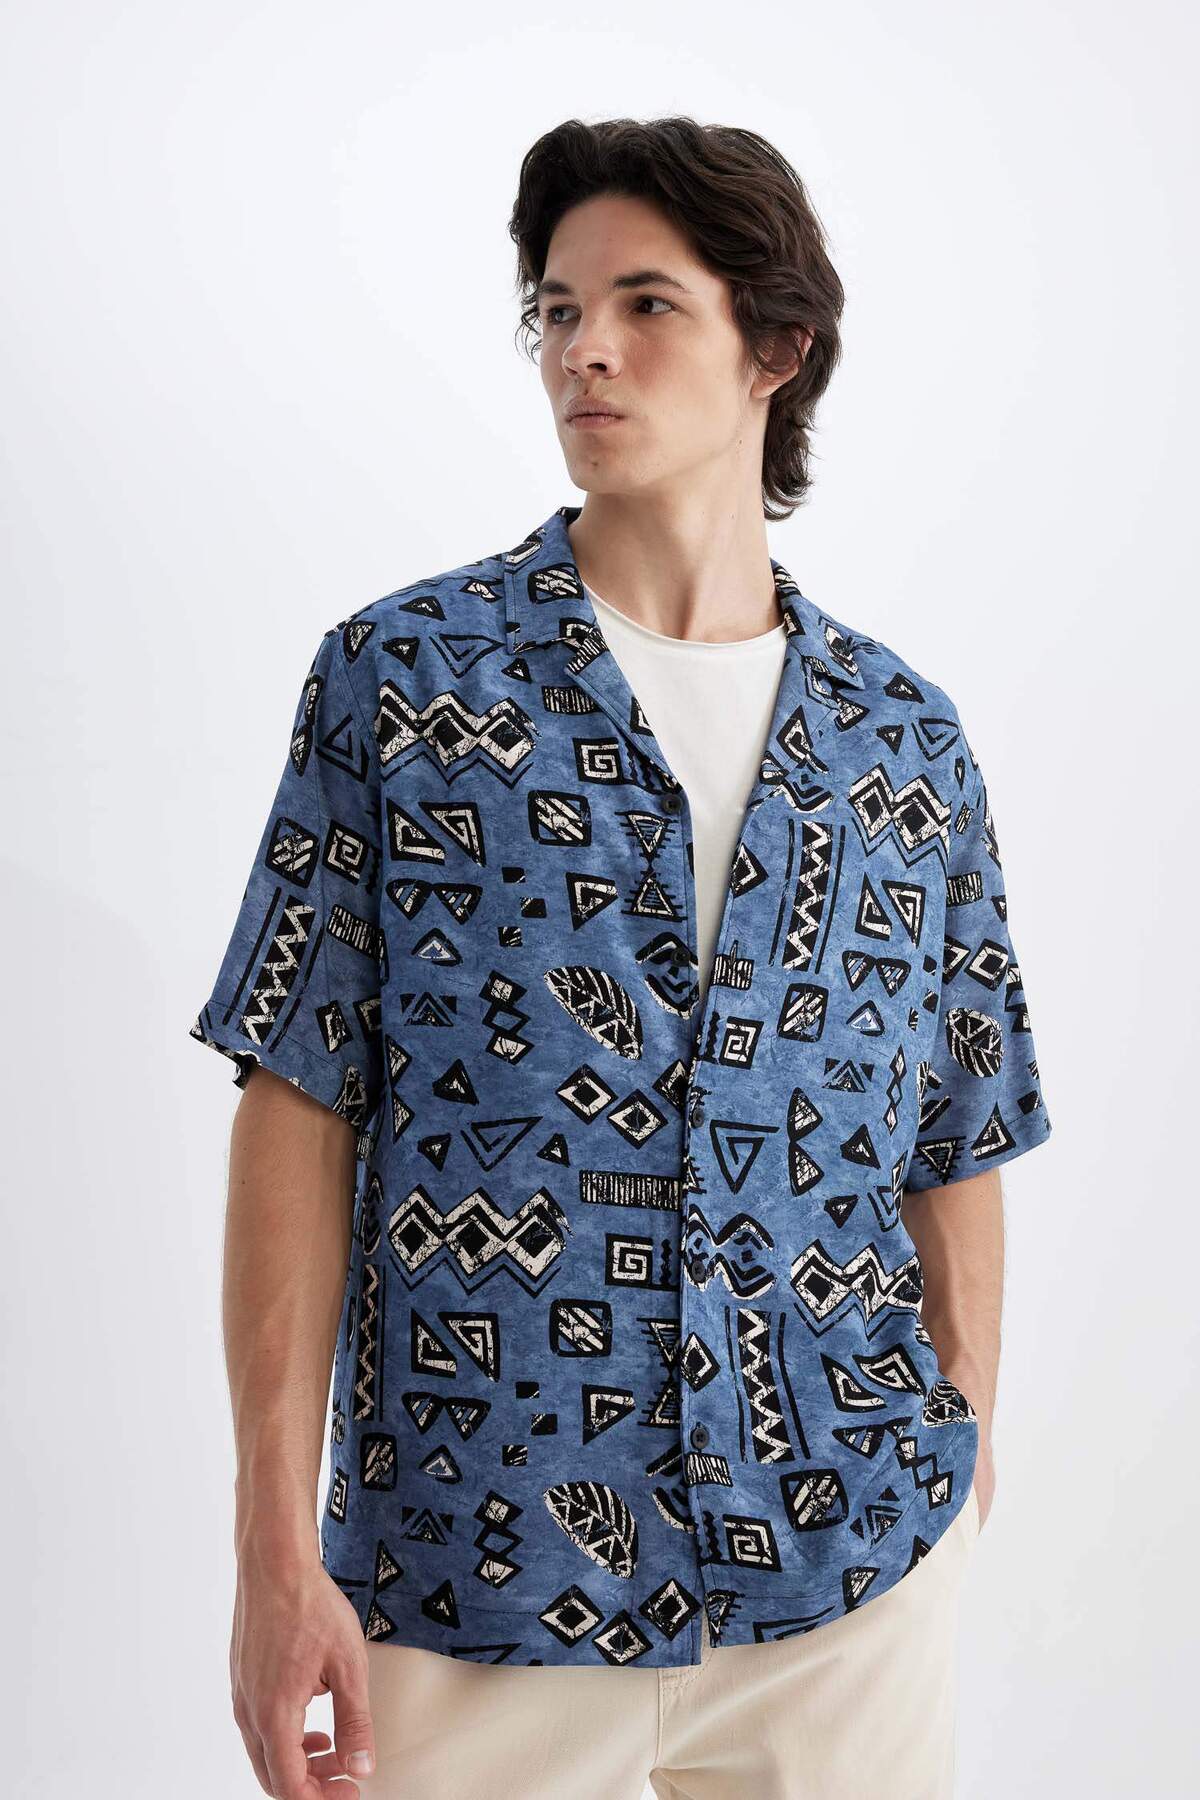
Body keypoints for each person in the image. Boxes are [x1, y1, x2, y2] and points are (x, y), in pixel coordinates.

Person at [188, 116, 1053, 1800]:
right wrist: (270, 1548)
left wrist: (958, 1439)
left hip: (846, 1582)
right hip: (476, 1581)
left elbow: (961, 1122)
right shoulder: (406, 684)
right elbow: (297, 1100)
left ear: (774, 349)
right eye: (557, 309)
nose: (584, 347)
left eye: (646, 304)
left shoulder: (901, 742)